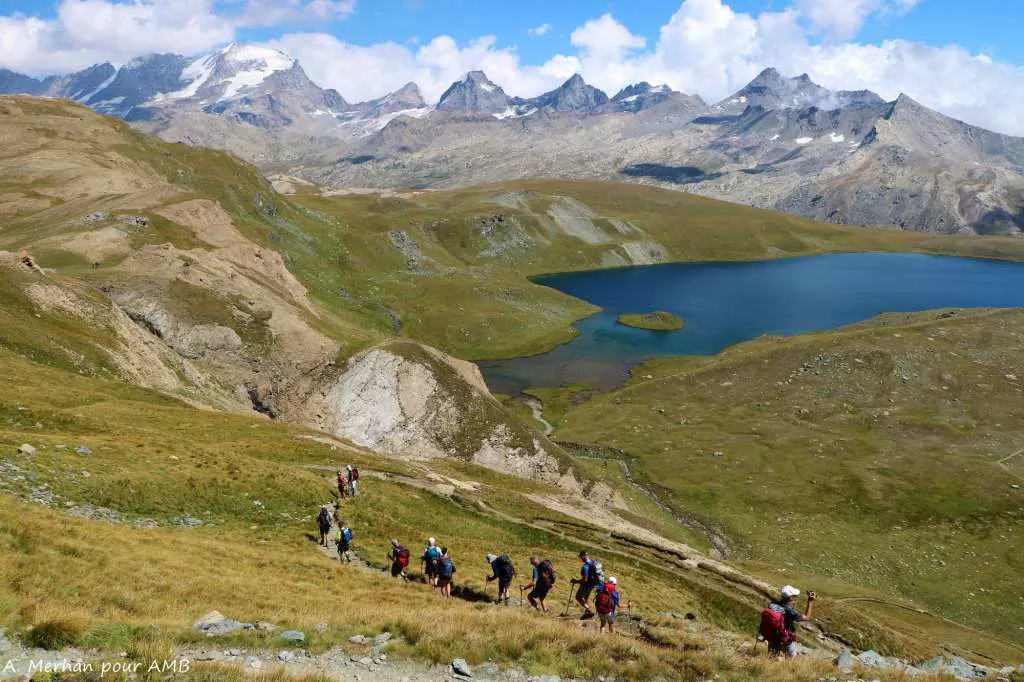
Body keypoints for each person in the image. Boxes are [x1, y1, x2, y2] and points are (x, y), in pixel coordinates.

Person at [760, 585, 816, 657]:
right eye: (794, 596)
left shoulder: (772, 604)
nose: (796, 597)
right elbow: (807, 617)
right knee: (791, 659)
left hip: (772, 635)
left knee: (772, 656)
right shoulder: (789, 610)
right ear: (790, 598)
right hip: (785, 638)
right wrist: (810, 601)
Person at [570, 550, 602, 619]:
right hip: (594, 584)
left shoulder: (585, 566)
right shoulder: (594, 562)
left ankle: (589, 610)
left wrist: (575, 581)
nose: (581, 559)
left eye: (581, 557)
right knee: (586, 598)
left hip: (587, 584)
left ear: (583, 556)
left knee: (578, 597)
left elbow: (585, 580)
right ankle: (587, 613)